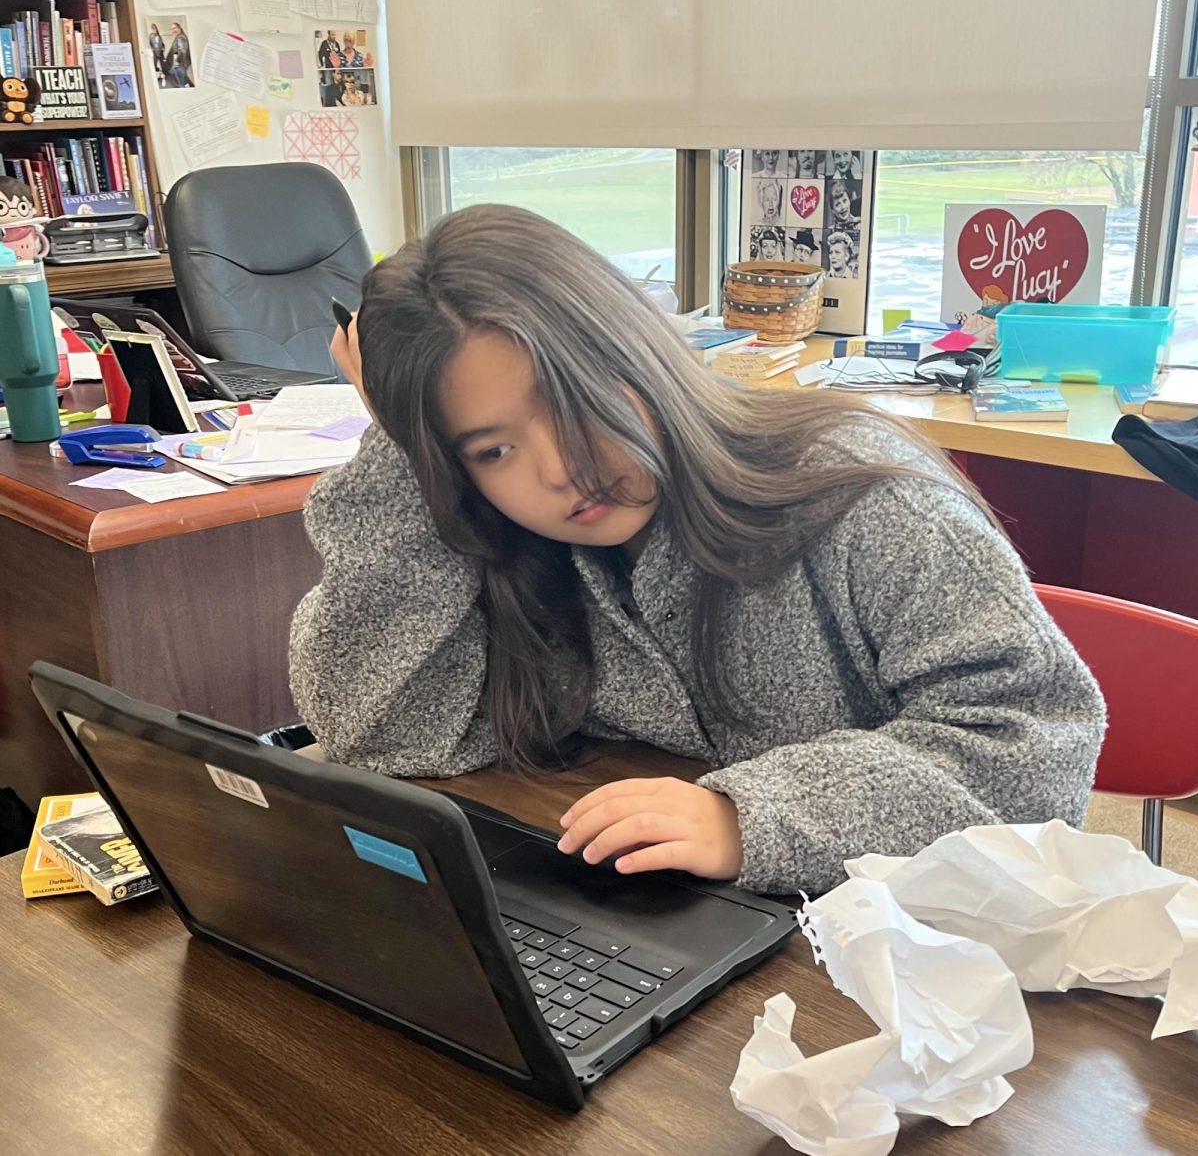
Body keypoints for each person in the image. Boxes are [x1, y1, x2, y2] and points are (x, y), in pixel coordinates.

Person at [289, 204, 1104, 896]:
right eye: (490, 449)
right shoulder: (514, 542)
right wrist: (402, 444)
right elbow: (384, 733)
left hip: (921, 975)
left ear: (634, 350)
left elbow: (1039, 754)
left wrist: (752, 816)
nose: (560, 470)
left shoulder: (866, 495)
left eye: (573, 400)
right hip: (687, 944)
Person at [164, 22, 192, 89]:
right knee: (176, 73)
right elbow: (176, 50)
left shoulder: (180, 38)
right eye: (172, 29)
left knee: (179, 80)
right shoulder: (179, 37)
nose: (173, 30)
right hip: (181, 63)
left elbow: (182, 51)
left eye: (174, 28)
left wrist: (177, 62)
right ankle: (185, 85)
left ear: (179, 28)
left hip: (181, 63)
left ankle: (183, 87)